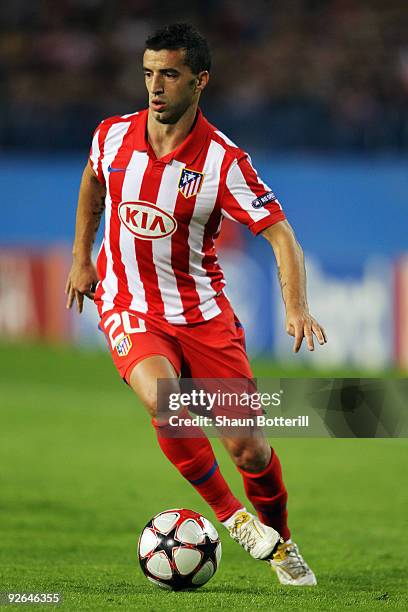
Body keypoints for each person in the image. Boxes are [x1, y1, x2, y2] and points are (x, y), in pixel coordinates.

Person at [65, 23, 327, 586]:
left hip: (204, 316)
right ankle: (233, 518)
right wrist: (82, 258)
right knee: (166, 400)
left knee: (251, 451)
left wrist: (296, 306)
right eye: (148, 74)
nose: (155, 87)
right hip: (129, 306)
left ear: (200, 81)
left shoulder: (224, 161)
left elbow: (280, 234)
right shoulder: (111, 136)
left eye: (169, 75)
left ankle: (282, 544)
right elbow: (92, 182)